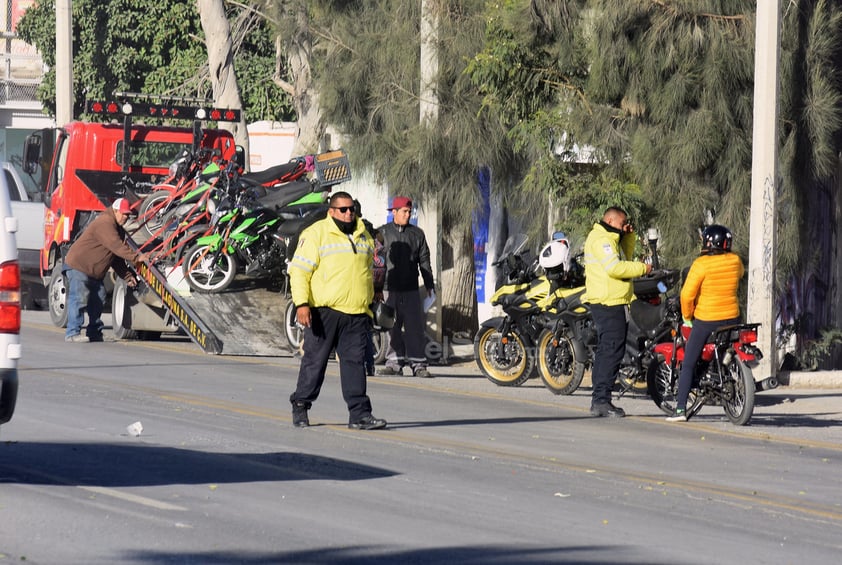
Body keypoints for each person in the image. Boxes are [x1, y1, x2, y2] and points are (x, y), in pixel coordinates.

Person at [288, 191, 387, 430]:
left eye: (351, 208)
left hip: (356, 312)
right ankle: (301, 404)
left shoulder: (364, 236)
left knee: (354, 364)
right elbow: (299, 272)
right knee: (315, 362)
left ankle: (360, 414)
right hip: (324, 311)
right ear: (332, 211)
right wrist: (302, 304)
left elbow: (368, 270)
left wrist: (374, 293)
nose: (348, 213)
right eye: (343, 209)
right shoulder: (315, 234)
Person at [666, 224, 744, 422]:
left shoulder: (701, 264)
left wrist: (687, 316)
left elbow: (686, 295)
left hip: (707, 320)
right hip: (733, 318)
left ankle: (680, 409)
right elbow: (740, 275)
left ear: (708, 242)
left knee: (689, 362)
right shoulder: (735, 260)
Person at [582, 206, 651, 417]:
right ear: (611, 221)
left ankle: (601, 399)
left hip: (614, 301)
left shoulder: (611, 238)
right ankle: (601, 401)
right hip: (607, 303)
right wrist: (642, 269)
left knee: (610, 351)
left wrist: (628, 237)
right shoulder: (602, 240)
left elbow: (624, 258)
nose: (624, 226)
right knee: (610, 352)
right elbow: (616, 268)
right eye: (622, 224)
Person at [64, 198, 149, 343]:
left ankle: (95, 333)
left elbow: (115, 258)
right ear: (115, 211)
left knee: (99, 298)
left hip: (93, 271)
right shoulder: (105, 223)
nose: (126, 218)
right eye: (123, 214)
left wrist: (128, 276)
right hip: (79, 265)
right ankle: (72, 333)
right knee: (79, 297)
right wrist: (137, 257)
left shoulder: (117, 229)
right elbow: (116, 246)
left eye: (128, 215)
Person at [375, 196, 435, 378]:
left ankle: (418, 365)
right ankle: (394, 363)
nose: (407, 215)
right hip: (388, 289)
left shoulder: (417, 234)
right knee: (391, 328)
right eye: (404, 211)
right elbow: (376, 262)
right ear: (394, 212)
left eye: (409, 212)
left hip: (410, 289)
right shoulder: (382, 233)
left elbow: (424, 261)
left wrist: (429, 283)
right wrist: (376, 287)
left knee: (415, 328)